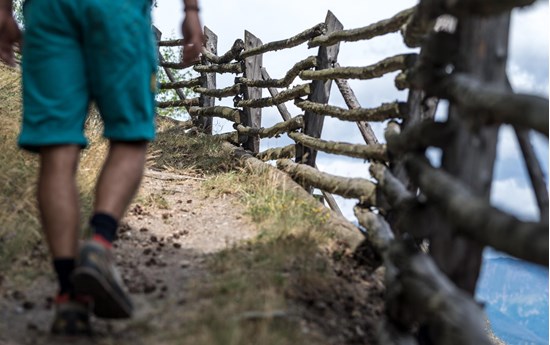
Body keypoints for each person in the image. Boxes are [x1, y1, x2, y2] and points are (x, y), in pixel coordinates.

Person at [0, 0, 204, 336]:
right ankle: (99, 243)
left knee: (57, 150)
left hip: (51, 12)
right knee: (130, 135)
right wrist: (191, 10)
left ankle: (69, 296)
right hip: (118, 11)